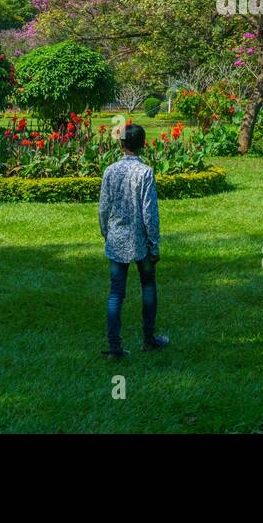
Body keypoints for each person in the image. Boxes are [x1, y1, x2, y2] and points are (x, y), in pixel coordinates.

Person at [98, 123, 169, 359]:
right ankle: (149, 339)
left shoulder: (110, 171)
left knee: (116, 293)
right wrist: (154, 242)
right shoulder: (145, 172)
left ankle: (114, 347)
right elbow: (150, 212)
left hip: (117, 238)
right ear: (142, 144)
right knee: (148, 285)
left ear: (121, 144)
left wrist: (105, 233)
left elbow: (104, 208)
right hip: (140, 241)